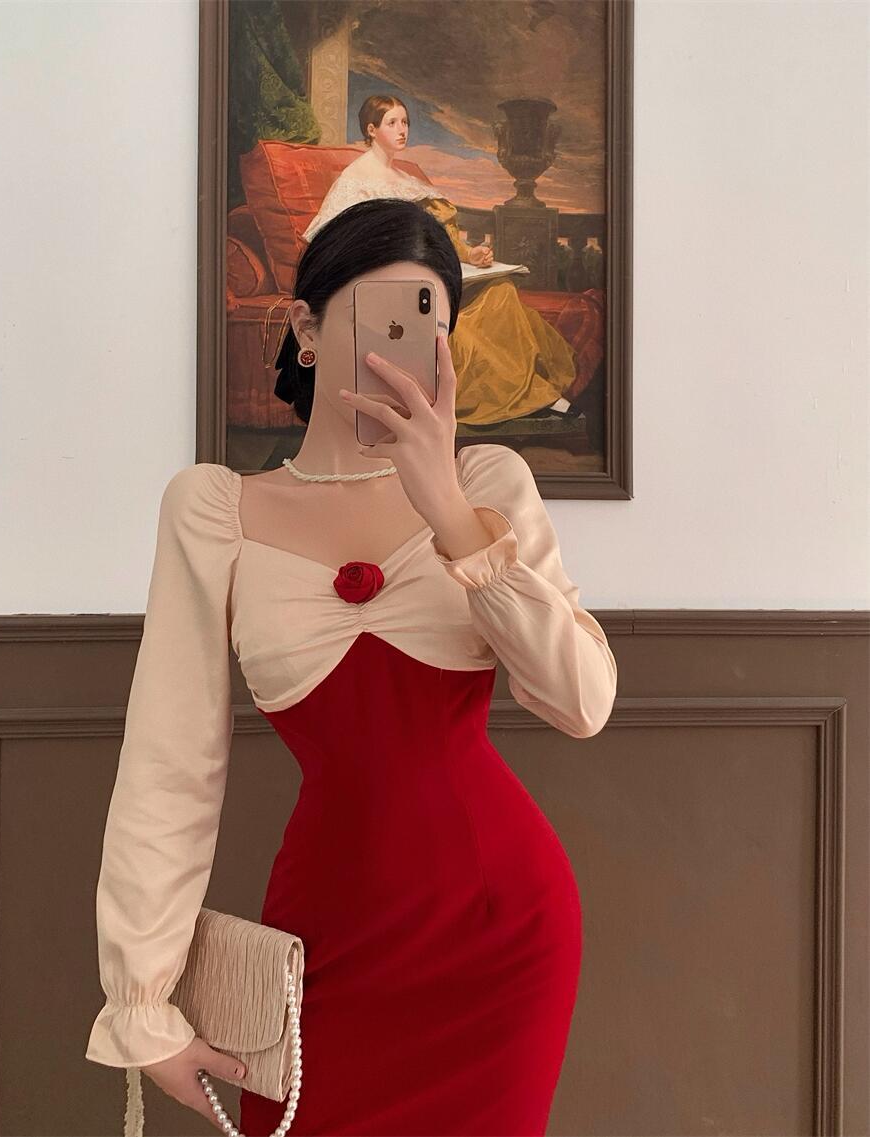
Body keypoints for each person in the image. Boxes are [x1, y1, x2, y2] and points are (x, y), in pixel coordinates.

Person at [85, 195, 618, 1136]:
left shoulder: (489, 485)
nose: (400, 349)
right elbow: (170, 766)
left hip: (501, 932)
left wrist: (447, 510)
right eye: (378, 316)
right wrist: (142, 1002)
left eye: (428, 322)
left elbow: (582, 702)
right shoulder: (213, 511)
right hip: (324, 937)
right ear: (305, 327)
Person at [301, 93, 580, 425]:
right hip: (392, 288)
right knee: (465, 315)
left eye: (405, 122)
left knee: (501, 292)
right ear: (371, 130)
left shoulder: (407, 179)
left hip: (433, 276)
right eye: (392, 123)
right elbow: (332, 244)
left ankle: (533, 393)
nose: (402, 130)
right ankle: (537, 398)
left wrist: (469, 254)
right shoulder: (355, 180)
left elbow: (437, 236)